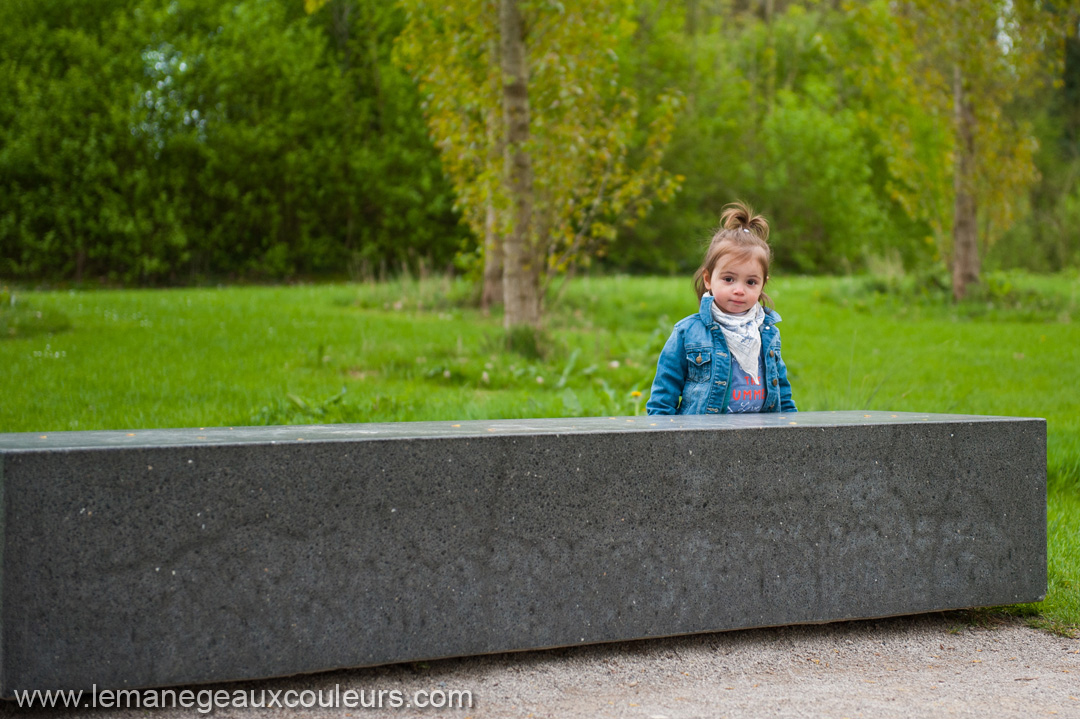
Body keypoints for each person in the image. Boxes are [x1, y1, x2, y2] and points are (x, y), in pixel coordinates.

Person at [646, 201, 796, 415]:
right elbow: (664, 393)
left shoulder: (767, 332)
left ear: (763, 284)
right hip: (702, 438)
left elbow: (782, 391)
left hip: (760, 437)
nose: (739, 290)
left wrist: (794, 429)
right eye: (728, 279)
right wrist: (663, 435)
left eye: (751, 282)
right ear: (708, 279)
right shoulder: (688, 332)